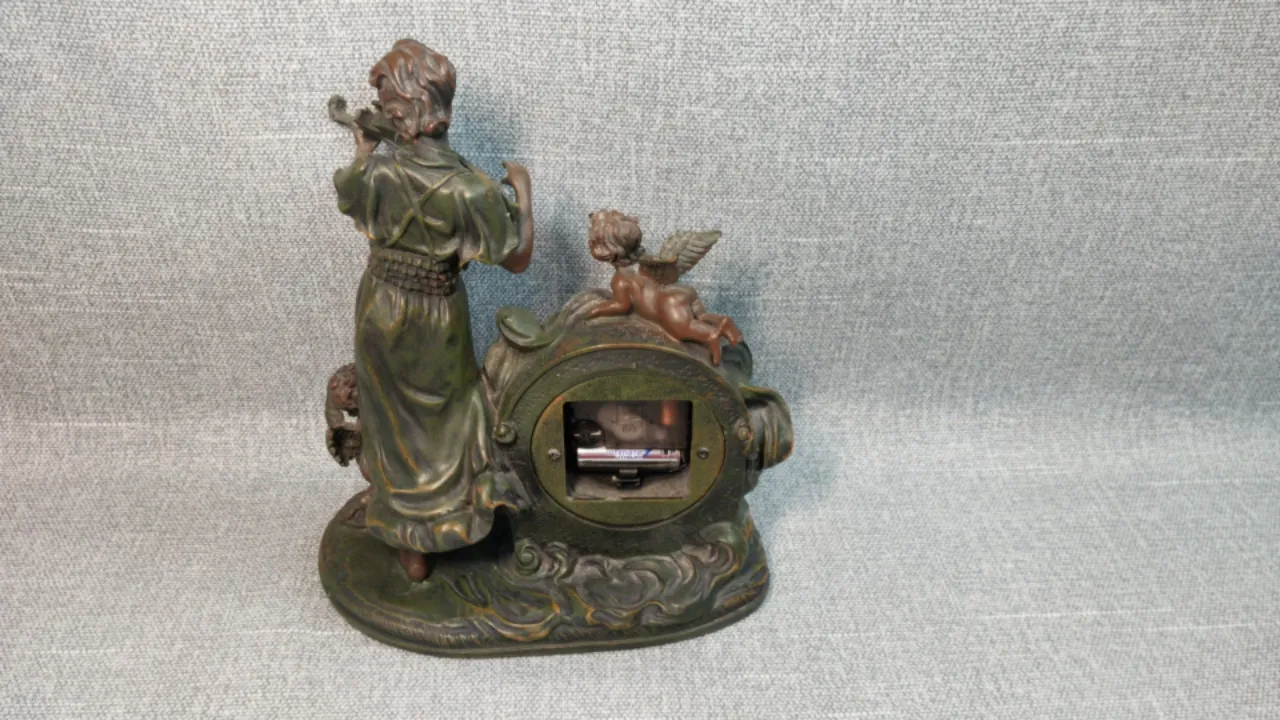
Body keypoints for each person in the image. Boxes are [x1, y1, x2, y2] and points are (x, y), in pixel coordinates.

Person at [333, 39, 533, 581]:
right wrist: (523, 193)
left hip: (378, 305)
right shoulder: (471, 190)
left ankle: (408, 540)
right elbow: (516, 259)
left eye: (387, 105)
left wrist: (362, 149)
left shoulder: (378, 172)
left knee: (393, 423)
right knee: (446, 421)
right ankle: (441, 524)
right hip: (433, 314)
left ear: (402, 111)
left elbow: (352, 196)